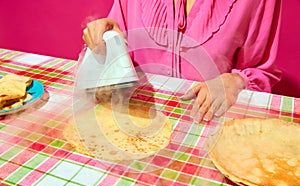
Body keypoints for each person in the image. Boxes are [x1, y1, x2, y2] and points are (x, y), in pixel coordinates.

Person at [82, 0, 282, 122]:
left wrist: (236, 81)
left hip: (206, 124)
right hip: (133, 121)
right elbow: (115, 65)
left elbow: (261, 71)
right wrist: (107, 42)